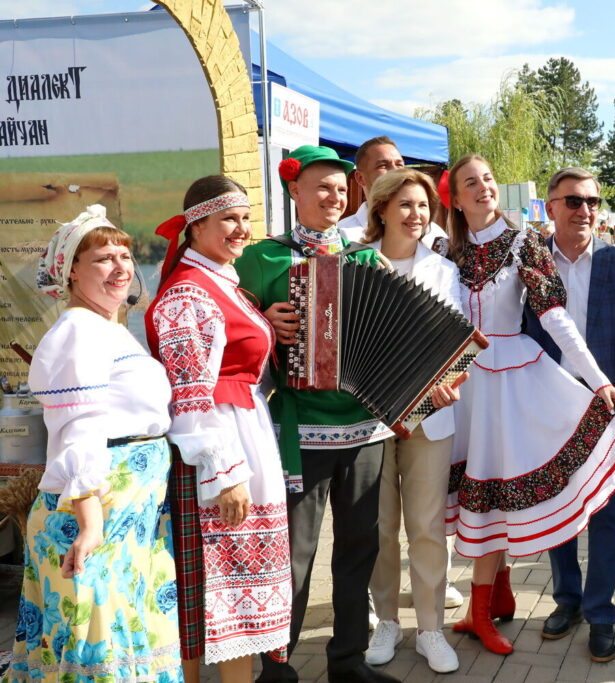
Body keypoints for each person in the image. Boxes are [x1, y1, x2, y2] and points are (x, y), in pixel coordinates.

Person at [439, 154, 615, 656]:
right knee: (488, 495)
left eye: (489, 178)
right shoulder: (445, 251)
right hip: (468, 388)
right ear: (456, 198)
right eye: (472, 182)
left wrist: (601, 382)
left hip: (524, 384)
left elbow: (556, 318)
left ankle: (598, 614)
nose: (485, 187)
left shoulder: (524, 244)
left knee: (591, 507)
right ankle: (511, 600)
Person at [234, 145, 398, 683]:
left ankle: (348, 661)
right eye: (322, 186)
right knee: (293, 553)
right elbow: (231, 335)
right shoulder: (262, 259)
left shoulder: (366, 259)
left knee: (359, 547)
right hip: (299, 429)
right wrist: (265, 320)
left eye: (340, 188)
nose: (333, 196)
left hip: (365, 428)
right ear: (295, 191)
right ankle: (277, 668)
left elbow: (390, 335)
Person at [9, 205, 181, 682]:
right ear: (71, 271)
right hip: (94, 513)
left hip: (128, 516)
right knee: (97, 653)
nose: (120, 267)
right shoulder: (77, 332)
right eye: (104, 258)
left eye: (124, 256)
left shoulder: (107, 328)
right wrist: (89, 525)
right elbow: (78, 432)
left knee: (121, 646)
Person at [146, 177, 291, 681]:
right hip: (218, 449)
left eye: (246, 218)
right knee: (221, 587)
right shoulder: (188, 295)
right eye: (229, 218)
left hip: (243, 432)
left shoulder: (219, 281)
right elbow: (189, 395)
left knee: (235, 588)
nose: (242, 229)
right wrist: (225, 474)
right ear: (196, 226)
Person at [522, 168, 615, 663]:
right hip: (550, 402)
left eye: (592, 201)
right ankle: (567, 600)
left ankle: (601, 614)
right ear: (550, 206)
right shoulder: (530, 261)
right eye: (573, 200)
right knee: (560, 507)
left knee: (606, 513)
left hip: (606, 406)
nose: (585, 210)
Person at [360, 169, 463, 674]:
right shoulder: (356, 263)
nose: (416, 215)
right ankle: (386, 621)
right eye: (405, 204)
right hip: (369, 418)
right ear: (381, 208)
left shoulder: (444, 270)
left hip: (429, 417)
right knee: (380, 528)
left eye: (423, 206)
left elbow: (458, 340)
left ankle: (430, 629)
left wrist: (446, 385)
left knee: (426, 528)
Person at [339, 135, 447, 249]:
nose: (395, 171)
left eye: (399, 165)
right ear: (360, 178)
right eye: (383, 166)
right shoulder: (343, 236)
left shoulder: (432, 234)